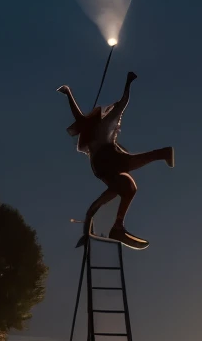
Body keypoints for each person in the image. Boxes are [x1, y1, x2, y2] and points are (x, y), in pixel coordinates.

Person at [58, 71, 174, 250]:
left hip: (105, 165)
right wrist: (68, 93)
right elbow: (80, 115)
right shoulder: (99, 125)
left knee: (129, 187)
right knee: (126, 169)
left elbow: (122, 103)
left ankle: (118, 226)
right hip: (106, 160)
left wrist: (128, 84)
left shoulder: (107, 124)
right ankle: (162, 153)